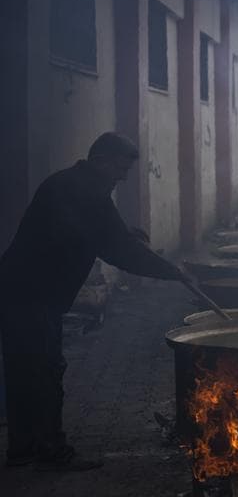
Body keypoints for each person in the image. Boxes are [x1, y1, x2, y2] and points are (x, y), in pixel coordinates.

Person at [0, 133, 187, 471]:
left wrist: (123, 235)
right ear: (100, 160)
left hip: (21, 288)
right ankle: (53, 451)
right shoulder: (81, 191)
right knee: (44, 369)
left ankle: (23, 448)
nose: (123, 176)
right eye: (120, 167)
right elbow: (115, 248)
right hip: (31, 292)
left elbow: (104, 232)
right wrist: (171, 272)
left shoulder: (75, 184)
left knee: (23, 368)